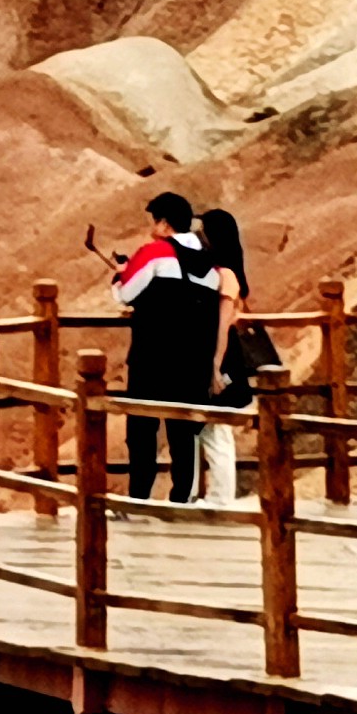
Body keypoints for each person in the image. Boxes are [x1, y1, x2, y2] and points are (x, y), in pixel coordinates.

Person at [113, 191, 221, 502]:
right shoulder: (209, 263)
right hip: (193, 359)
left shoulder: (154, 253)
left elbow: (126, 294)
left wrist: (119, 276)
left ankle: (139, 498)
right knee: (182, 430)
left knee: (142, 429)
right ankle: (180, 499)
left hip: (152, 354)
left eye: (154, 221)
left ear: (163, 223)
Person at [196, 208, 281, 503]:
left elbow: (223, 325)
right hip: (223, 356)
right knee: (211, 428)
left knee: (215, 429)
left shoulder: (224, 275)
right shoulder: (231, 271)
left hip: (222, 357)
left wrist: (215, 366)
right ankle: (214, 496)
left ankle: (220, 498)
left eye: (204, 230)